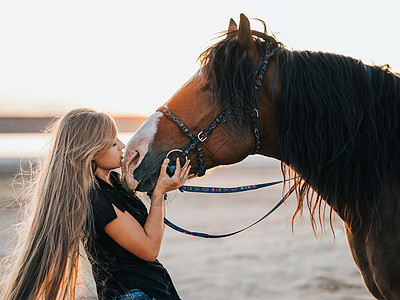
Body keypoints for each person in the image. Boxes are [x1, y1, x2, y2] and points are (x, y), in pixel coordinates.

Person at [1, 108, 190, 300]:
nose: (122, 145)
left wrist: (150, 184)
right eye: (112, 142)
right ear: (90, 150)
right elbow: (149, 250)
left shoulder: (114, 183)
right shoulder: (97, 199)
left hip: (151, 290)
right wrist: (159, 193)